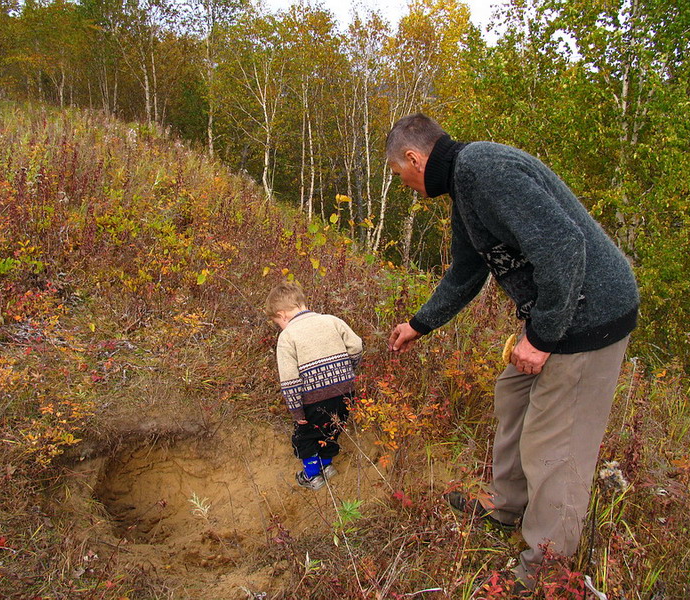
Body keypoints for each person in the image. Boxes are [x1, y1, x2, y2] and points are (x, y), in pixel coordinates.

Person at [385, 114, 639, 593]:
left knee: (555, 446)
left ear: (415, 159)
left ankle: (545, 565)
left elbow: (565, 248)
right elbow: (465, 271)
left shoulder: (485, 170)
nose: (405, 185)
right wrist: (420, 324)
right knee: (513, 394)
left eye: (400, 174)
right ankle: (506, 505)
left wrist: (541, 339)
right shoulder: (466, 186)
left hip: (590, 317)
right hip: (561, 312)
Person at [266, 281, 363, 490]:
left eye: (277, 322)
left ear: (282, 315)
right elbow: (356, 346)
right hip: (345, 391)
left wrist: (298, 414)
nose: (279, 326)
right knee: (332, 429)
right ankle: (328, 467)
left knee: (306, 436)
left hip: (313, 398)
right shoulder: (332, 321)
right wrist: (348, 370)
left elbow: (290, 382)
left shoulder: (287, 336)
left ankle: (312, 476)